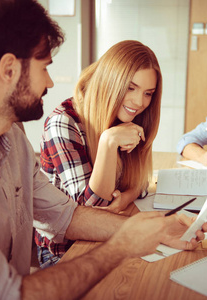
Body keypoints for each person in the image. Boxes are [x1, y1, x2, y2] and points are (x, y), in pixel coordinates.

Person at [0, 1, 207, 299]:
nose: (49, 81)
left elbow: (64, 215)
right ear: (9, 69)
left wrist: (155, 229)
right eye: (45, 67)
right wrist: (122, 245)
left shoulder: (12, 135)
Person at [35, 40, 162, 267]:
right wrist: (108, 142)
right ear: (110, 81)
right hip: (65, 253)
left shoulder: (129, 118)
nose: (139, 102)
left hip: (109, 234)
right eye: (130, 88)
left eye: (148, 93)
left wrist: (125, 198)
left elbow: (142, 181)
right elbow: (88, 212)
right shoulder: (63, 123)